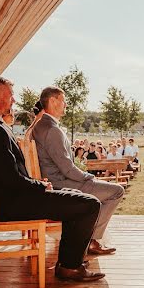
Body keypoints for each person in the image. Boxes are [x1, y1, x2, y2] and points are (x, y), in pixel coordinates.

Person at [0, 76, 104, 282]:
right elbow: (10, 179)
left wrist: (38, 186)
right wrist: (40, 185)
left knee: (77, 195)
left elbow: (9, 176)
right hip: (13, 204)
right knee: (89, 204)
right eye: (10, 96)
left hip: (14, 199)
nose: (14, 101)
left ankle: (70, 260)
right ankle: (69, 267)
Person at [31, 86, 123, 255]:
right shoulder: (52, 130)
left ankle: (89, 237)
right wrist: (89, 177)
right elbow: (67, 169)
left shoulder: (40, 126)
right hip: (62, 184)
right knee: (116, 191)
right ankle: (91, 239)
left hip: (55, 180)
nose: (65, 105)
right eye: (63, 100)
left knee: (107, 190)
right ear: (52, 101)